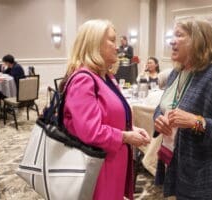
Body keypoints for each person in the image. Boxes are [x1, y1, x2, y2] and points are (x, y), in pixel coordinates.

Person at [153, 18, 212, 199]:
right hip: (175, 162)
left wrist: (196, 122)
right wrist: (158, 120)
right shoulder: (177, 72)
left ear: (198, 40)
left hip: (201, 177)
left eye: (179, 35)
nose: (171, 41)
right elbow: (161, 106)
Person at [61, 19, 150, 200]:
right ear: (94, 44)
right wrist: (126, 136)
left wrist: (130, 129)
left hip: (111, 162)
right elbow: (91, 132)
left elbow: (110, 118)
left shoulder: (106, 77)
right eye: (112, 40)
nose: (117, 47)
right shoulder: (83, 79)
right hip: (97, 167)